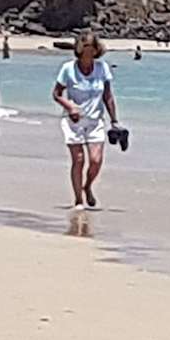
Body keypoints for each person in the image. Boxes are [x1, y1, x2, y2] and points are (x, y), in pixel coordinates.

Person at [51, 34, 119, 210]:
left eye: (91, 47)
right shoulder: (68, 68)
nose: (88, 50)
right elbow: (56, 94)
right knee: (79, 160)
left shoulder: (102, 68)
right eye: (85, 47)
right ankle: (78, 200)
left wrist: (114, 120)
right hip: (73, 120)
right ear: (79, 49)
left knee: (96, 160)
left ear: (97, 49)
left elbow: (108, 96)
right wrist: (70, 106)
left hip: (96, 120)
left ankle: (87, 186)